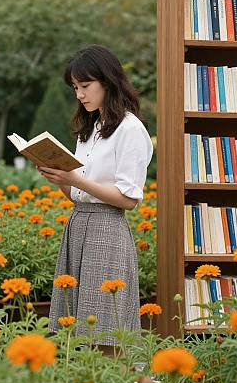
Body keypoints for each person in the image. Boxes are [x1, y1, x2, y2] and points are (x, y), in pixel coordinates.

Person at [38, 44, 153, 347]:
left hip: (108, 230)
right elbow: (78, 194)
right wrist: (61, 179)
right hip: (78, 226)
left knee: (106, 331)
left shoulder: (130, 129)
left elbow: (128, 199)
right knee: (73, 329)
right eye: (75, 87)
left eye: (85, 86)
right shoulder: (90, 129)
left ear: (108, 81)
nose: (79, 94)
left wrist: (76, 179)